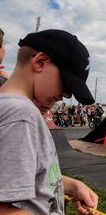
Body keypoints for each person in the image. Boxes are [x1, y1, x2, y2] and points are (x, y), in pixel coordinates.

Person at [0, 29, 98, 214]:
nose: (66, 95)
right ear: (40, 62)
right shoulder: (21, 115)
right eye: (67, 84)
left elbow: (22, 176)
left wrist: (72, 185)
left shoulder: (14, 108)